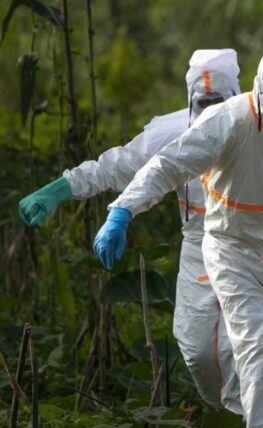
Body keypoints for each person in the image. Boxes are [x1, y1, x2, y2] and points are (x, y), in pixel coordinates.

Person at [92, 43, 263, 428]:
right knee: (259, 352)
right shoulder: (229, 120)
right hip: (231, 249)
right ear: (257, 90)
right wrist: (123, 211)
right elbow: (169, 165)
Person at [18, 49, 243, 414]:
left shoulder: (256, 127)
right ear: (191, 101)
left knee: (243, 344)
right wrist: (60, 189)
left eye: (219, 101)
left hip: (253, 245)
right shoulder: (175, 131)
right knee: (197, 346)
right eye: (204, 103)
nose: (212, 111)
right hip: (200, 243)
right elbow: (120, 165)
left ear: (235, 95)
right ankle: (228, 412)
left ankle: (260, 414)